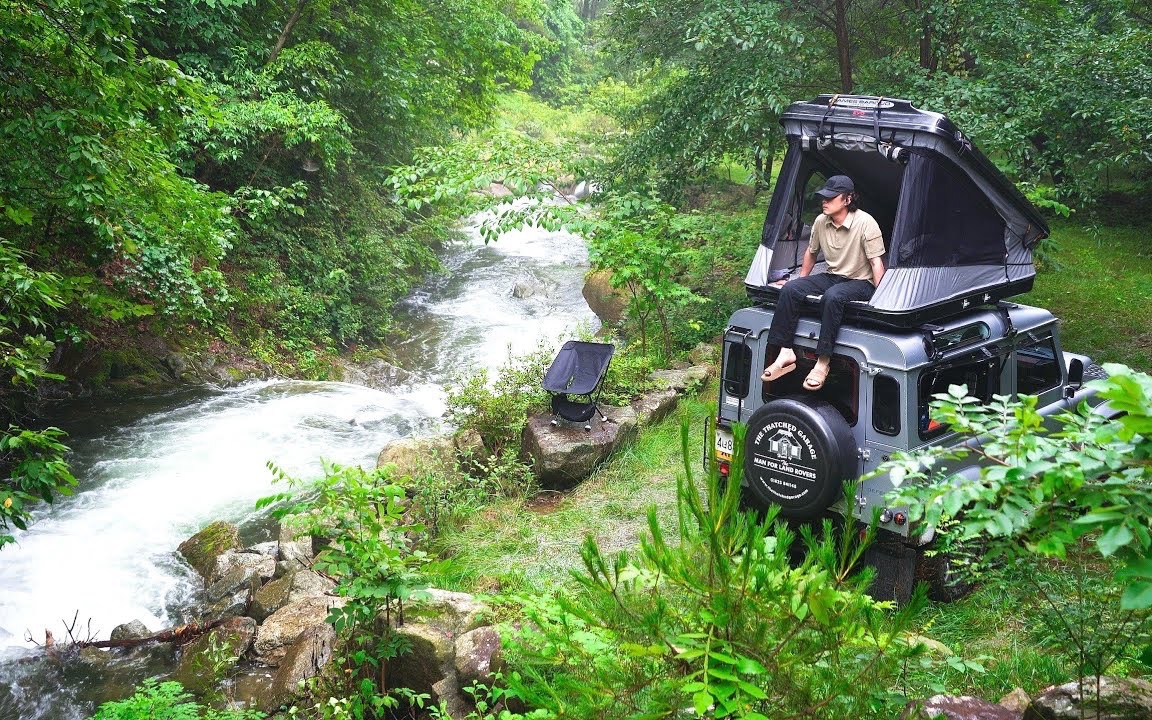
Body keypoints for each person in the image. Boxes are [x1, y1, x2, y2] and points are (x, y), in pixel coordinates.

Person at [760, 175, 885, 390]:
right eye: (823, 197)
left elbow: (876, 263)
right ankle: (786, 351)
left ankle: (822, 362)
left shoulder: (866, 222)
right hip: (833, 276)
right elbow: (810, 252)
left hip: (861, 281)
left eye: (830, 197)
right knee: (790, 289)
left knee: (833, 297)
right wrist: (802, 282)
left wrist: (882, 298)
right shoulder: (821, 221)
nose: (824, 201)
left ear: (847, 199)